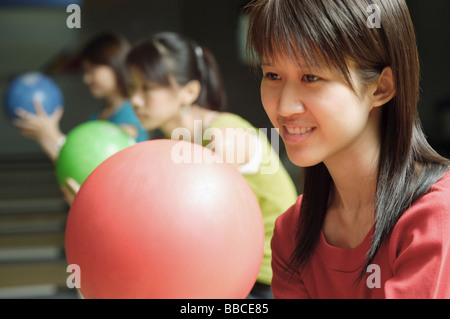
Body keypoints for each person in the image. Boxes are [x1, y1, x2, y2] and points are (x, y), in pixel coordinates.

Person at [246, 0, 450, 299]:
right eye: (272, 75)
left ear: (380, 88)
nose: (284, 107)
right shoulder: (292, 231)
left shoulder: (435, 217)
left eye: (312, 77)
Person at [125, 32, 298, 298]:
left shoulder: (224, 136)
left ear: (189, 91)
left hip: (268, 281)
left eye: (147, 88)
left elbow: (192, 226)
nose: (135, 100)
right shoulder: (171, 142)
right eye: (132, 88)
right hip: (225, 271)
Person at [12, 32, 148, 163]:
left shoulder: (133, 113)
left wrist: (52, 133)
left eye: (92, 70)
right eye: (85, 71)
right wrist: (43, 136)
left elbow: (99, 164)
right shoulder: (96, 116)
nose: (86, 79)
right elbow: (74, 167)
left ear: (115, 65)